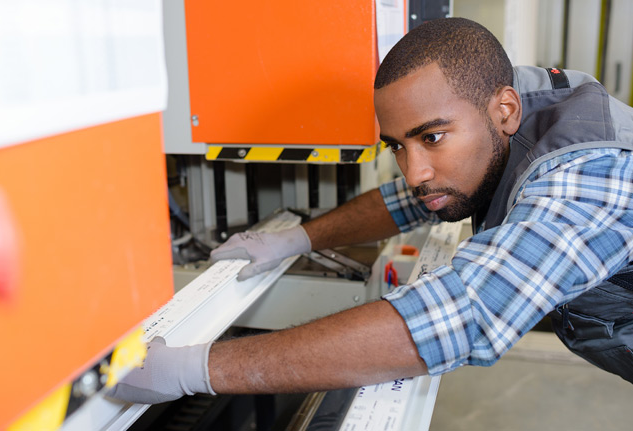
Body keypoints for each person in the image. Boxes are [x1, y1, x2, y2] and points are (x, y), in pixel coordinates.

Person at [108, 17, 633, 404]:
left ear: (504, 110)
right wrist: (298, 239)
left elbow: (466, 313)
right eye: (397, 146)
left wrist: (196, 368)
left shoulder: (589, 179)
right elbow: (419, 196)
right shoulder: (496, 97)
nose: (413, 170)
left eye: (430, 137)